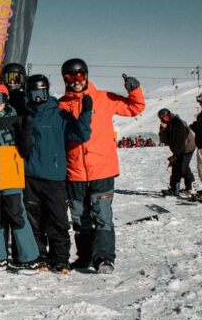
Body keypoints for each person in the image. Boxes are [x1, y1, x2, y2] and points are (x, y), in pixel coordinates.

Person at [57, 59, 145, 274]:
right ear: (64, 80)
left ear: (86, 75)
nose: (76, 81)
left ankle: (104, 258)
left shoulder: (104, 98)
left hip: (102, 169)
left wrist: (135, 90)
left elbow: (135, 108)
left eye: (80, 75)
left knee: (102, 216)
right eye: (70, 77)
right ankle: (85, 257)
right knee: (79, 218)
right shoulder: (60, 105)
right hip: (75, 171)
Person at [21, 74, 92, 273]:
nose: (37, 98)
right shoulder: (25, 115)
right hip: (30, 177)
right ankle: (39, 256)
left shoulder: (59, 115)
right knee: (34, 220)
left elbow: (80, 135)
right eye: (33, 94)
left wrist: (86, 113)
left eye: (41, 93)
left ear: (47, 92)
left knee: (57, 220)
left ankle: (60, 259)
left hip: (55, 178)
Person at [0, 83, 40, 271]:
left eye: (0, 99)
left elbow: (26, 149)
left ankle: (29, 257)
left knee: (18, 218)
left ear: (6, 100)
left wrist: (26, 132)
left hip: (12, 179)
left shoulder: (15, 121)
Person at [158, 108, 197, 198]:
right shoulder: (169, 125)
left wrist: (175, 156)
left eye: (166, 117)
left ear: (170, 114)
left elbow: (180, 143)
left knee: (181, 168)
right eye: (163, 118)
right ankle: (178, 189)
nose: (165, 119)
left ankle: (188, 188)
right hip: (180, 149)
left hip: (187, 148)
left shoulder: (178, 124)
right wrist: (162, 130)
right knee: (179, 167)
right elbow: (165, 141)